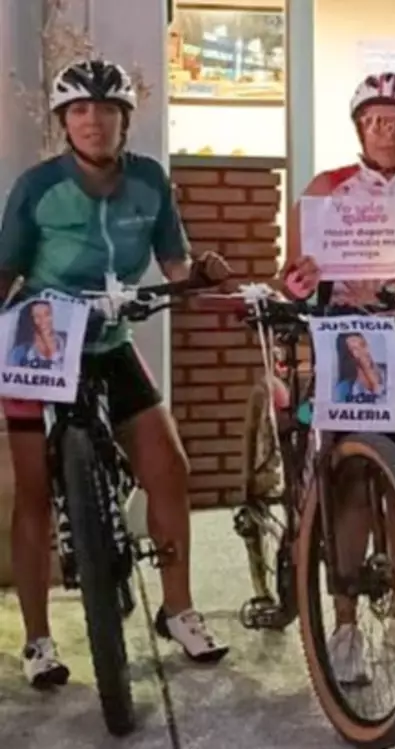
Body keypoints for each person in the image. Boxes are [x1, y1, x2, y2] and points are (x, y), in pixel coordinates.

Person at [0, 59, 232, 689]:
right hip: (41, 339)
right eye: (80, 110)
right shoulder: (37, 187)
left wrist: (198, 275)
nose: (93, 121)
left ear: (125, 119)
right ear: (64, 121)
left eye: (106, 109)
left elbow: (174, 260)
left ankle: (178, 610)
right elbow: (7, 269)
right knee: (31, 492)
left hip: (110, 338)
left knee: (170, 468)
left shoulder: (150, 181)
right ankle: (38, 639)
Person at [278, 71, 395, 682]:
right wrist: (298, 282)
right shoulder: (327, 188)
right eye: (378, 122)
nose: (389, 133)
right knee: (352, 486)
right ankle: (344, 625)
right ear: (361, 127)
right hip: (348, 338)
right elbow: (292, 273)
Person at [7, 299, 67, 370]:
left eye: (47, 314)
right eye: (37, 316)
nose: (43, 320)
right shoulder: (18, 353)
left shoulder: (67, 343)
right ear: (30, 319)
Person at [332, 332, 387, 404]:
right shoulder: (344, 390)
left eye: (363, 345)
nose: (362, 352)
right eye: (354, 349)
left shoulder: (387, 373)